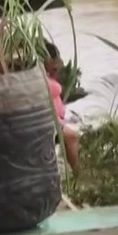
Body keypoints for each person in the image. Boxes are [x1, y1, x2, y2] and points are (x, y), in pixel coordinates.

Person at [42, 42, 82, 174]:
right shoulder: (38, 77)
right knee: (72, 136)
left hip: (58, 120)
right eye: (54, 59)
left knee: (78, 125)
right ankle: (77, 172)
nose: (56, 62)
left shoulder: (47, 75)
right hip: (49, 122)